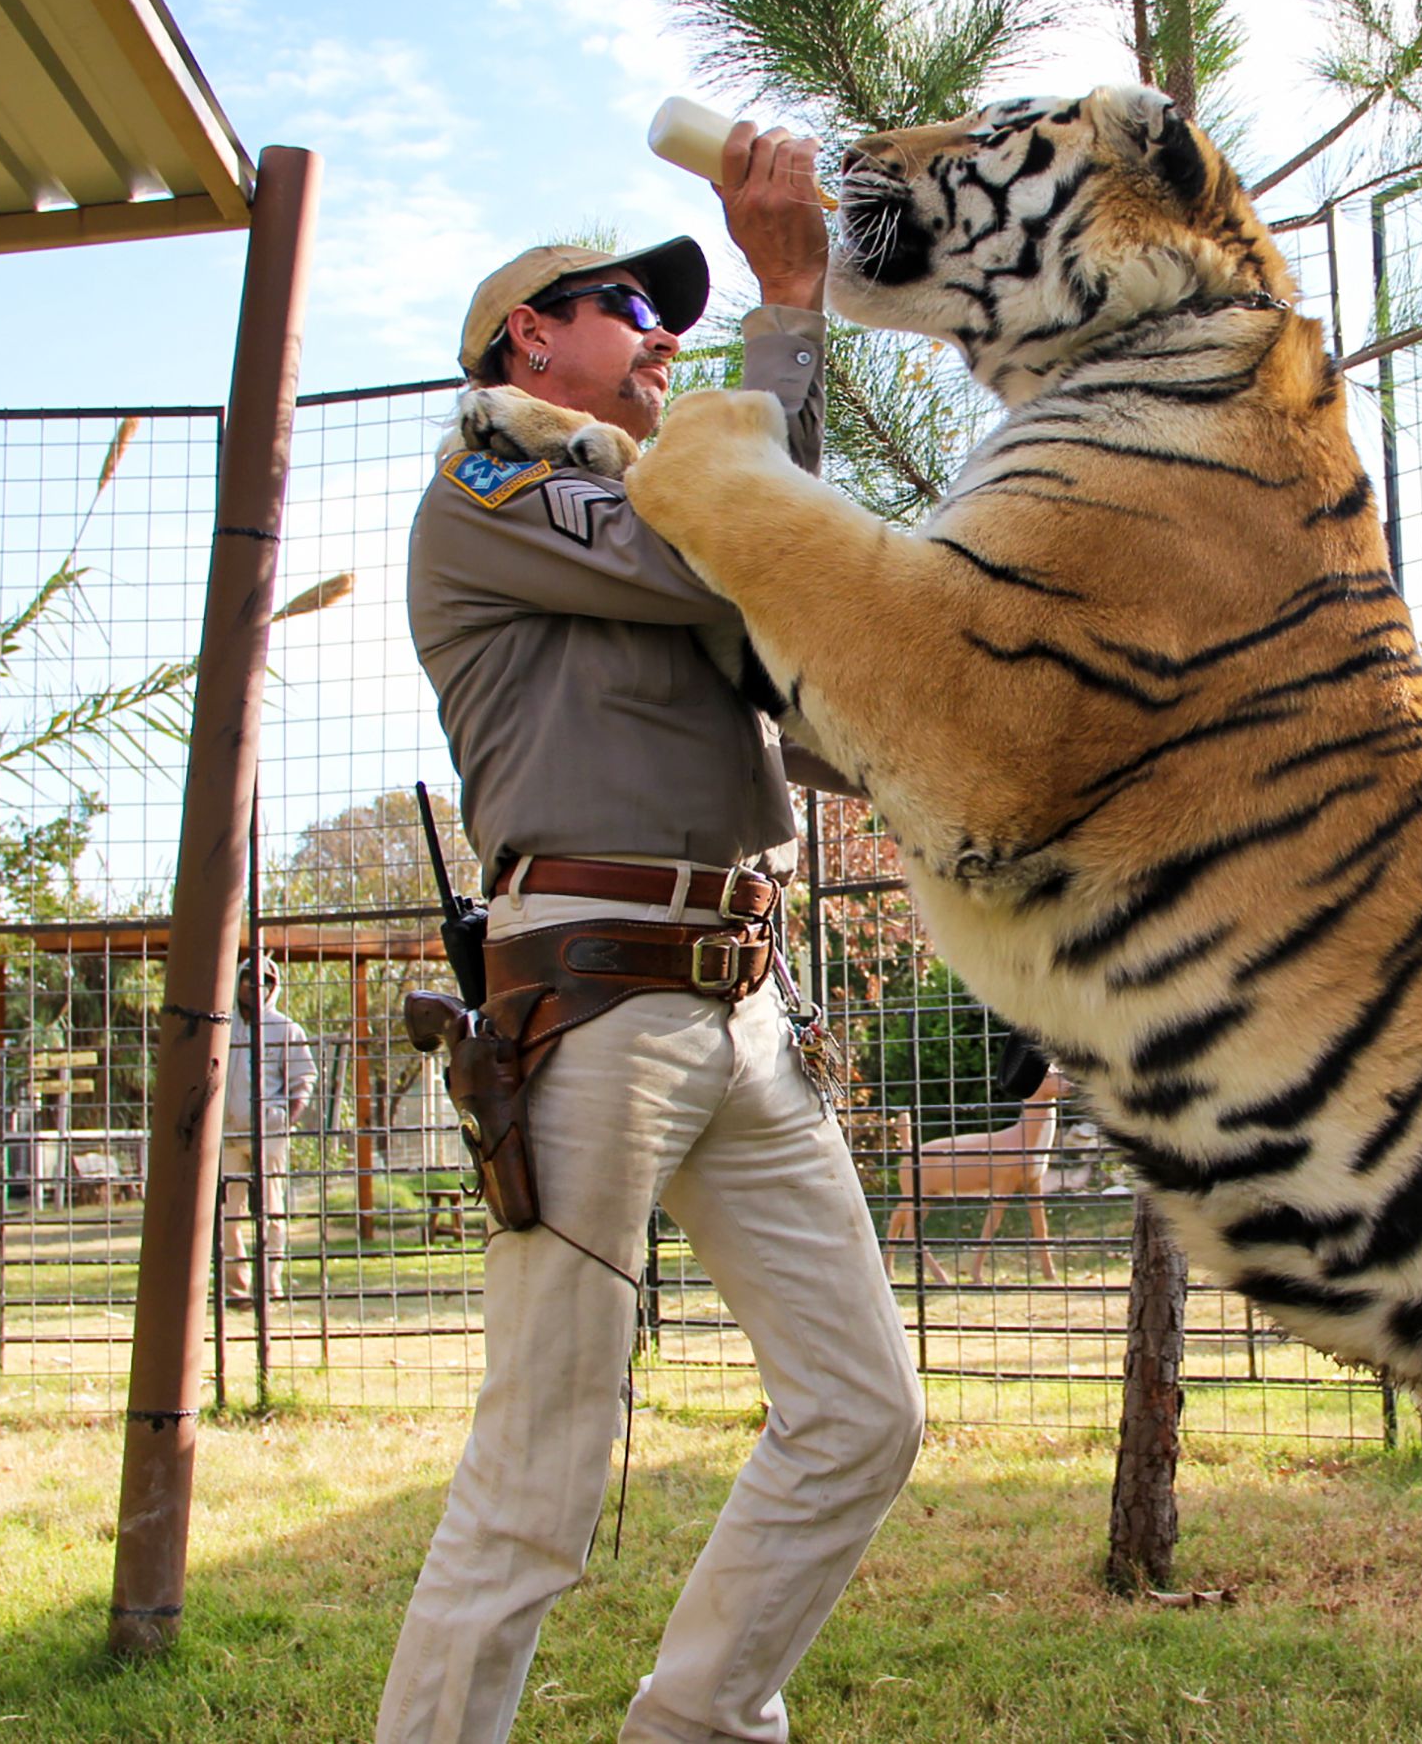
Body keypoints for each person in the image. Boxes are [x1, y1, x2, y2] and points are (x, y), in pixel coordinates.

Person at [379, 124, 922, 1744]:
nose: (660, 331)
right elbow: (742, 546)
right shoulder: (495, 479)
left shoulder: (655, 514)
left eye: (671, 309)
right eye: (625, 303)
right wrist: (788, 298)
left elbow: (801, 644)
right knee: (544, 1463)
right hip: (594, 997)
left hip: (750, 999)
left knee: (862, 1414)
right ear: (526, 340)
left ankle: (693, 1721)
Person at [220, 954, 317, 1307]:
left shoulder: (285, 1028)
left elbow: (303, 1080)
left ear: (274, 987)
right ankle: (236, 1289)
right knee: (227, 1215)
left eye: (265, 980)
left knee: (272, 1213)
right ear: (238, 980)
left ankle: (269, 1286)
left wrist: (286, 1119)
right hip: (227, 1136)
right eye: (249, 977)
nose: (255, 985)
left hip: (269, 1135)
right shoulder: (222, 1024)